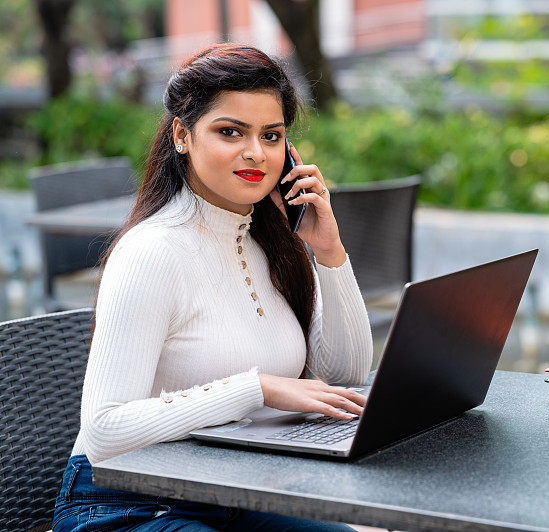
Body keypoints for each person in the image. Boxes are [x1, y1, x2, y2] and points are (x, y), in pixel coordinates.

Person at [52, 43, 373, 531]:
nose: (255, 153)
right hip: (127, 503)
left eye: (271, 136)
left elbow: (345, 375)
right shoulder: (152, 252)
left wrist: (328, 253)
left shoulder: (270, 243)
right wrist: (254, 389)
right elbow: (103, 432)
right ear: (183, 134)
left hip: (236, 492)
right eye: (230, 132)